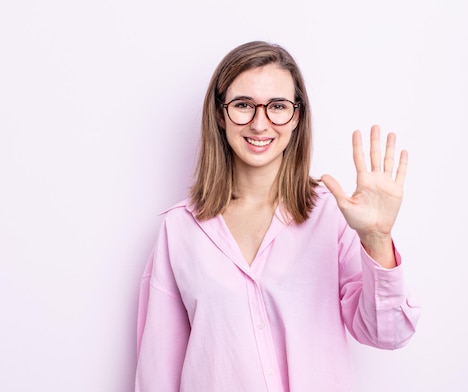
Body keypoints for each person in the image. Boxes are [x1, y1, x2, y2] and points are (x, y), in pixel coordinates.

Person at [135, 41, 421, 392]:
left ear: (297, 116)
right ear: (220, 114)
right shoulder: (179, 230)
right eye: (243, 105)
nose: (260, 123)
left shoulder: (331, 216)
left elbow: (387, 333)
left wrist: (377, 239)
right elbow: (157, 373)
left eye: (278, 106)